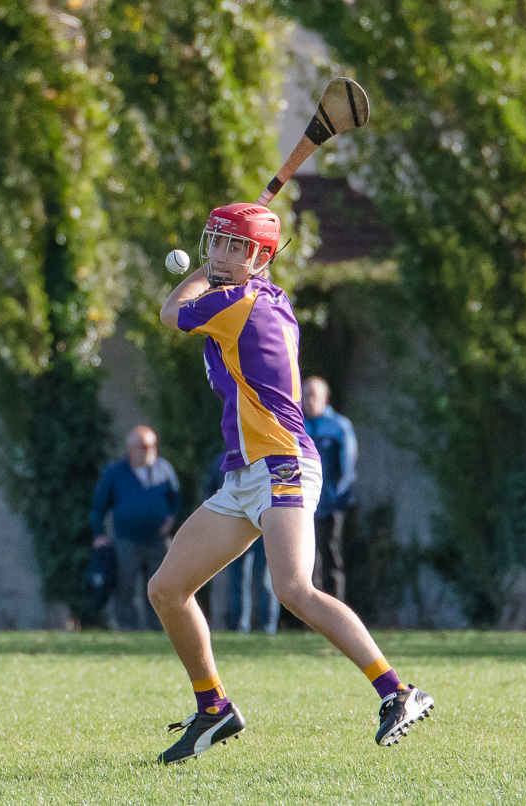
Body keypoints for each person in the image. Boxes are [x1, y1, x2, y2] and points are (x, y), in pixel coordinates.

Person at [150, 202, 433, 765]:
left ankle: (399, 692)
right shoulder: (252, 294)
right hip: (243, 475)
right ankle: (214, 710)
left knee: (293, 589)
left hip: (282, 464)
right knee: (166, 589)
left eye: (235, 247)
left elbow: (169, 312)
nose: (220, 256)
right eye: (216, 243)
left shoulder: (239, 300)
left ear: (260, 257)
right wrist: (225, 260)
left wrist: (206, 271)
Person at [89, 426, 180, 631]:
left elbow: (175, 500)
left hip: (158, 540)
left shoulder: (164, 469)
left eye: (152, 446)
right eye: (143, 446)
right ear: (131, 448)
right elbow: (99, 506)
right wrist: (99, 535)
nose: (149, 451)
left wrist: (170, 520)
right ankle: (127, 627)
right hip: (127, 540)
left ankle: (158, 628)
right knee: (126, 586)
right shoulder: (115, 473)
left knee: (159, 586)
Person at [207, 453, 280, 634]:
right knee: (238, 581)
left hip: (263, 528)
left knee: (264, 580)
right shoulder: (224, 459)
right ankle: (238, 624)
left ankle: (265, 625)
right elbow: (213, 492)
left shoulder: (268, 456)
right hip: (236, 526)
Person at [302, 376, 358, 601]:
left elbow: (349, 469)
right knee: (307, 560)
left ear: (326, 398)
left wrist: (334, 497)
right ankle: (311, 619)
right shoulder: (297, 425)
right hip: (303, 506)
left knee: (331, 557)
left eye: (313, 395)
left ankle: (336, 610)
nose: (309, 401)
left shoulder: (339, 426)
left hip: (331, 506)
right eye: (305, 395)